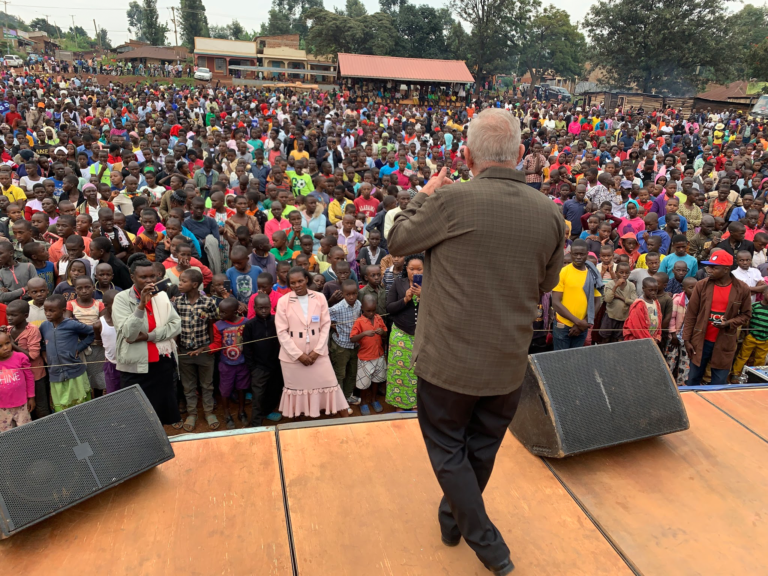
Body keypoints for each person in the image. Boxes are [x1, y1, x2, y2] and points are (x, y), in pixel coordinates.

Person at [387, 109, 563, 575]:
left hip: (447, 363)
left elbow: (396, 239)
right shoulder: (550, 214)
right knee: (481, 448)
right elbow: (546, 282)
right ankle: (451, 521)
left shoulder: (449, 202)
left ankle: (489, 545)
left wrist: (421, 196)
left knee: (448, 449)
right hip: (507, 363)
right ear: (522, 155)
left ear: (465, 156)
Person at [112, 254, 182, 427]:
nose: (149, 280)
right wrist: (141, 305)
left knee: (161, 415)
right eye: (143, 277)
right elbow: (129, 334)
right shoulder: (121, 299)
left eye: (152, 276)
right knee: (138, 418)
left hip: (161, 364)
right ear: (132, 277)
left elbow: (176, 326)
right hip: (136, 368)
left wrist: (150, 336)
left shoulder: (161, 296)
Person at [275, 267, 349, 418]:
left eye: (300, 281)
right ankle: (299, 424)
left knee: (330, 383)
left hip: (318, 353)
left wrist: (317, 352)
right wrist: (298, 355)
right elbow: (281, 332)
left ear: (307, 279)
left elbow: (325, 325)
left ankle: (346, 420)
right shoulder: (283, 301)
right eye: (293, 283)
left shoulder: (319, 297)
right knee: (297, 390)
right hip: (292, 357)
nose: (297, 285)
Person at [683, 250, 752, 386]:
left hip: (725, 342)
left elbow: (746, 314)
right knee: (692, 380)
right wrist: (686, 339)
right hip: (701, 341)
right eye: (708, 266)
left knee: (719, 383)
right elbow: (691, 314)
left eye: (714, 267)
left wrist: (729, 323)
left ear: (726, 269)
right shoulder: (701, 285)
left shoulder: (741, 288)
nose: (709, 270)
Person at [174, 268, 220, 431]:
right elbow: (176, 327)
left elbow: (212, 324)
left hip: (204, 351)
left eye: (183, 281)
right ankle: (192, 413)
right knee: (188, 385)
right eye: (180, 281)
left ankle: (208, 412)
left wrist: (210, 347)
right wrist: (177, 349)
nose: (179, 284)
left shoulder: (208, 302)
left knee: (207, 385)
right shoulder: (178, 302)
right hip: (185, 351)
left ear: (194, 285)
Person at [39, 294, 94, 412]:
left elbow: (92, 332)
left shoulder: (72, 324)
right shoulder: (44, 326)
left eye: (51, 311)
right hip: (55, 373)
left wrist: (80, 347)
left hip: (74, 371)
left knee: (80, 404)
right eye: (45, 310)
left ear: (63, 310)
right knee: (61, 406)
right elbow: (40, 343)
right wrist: (44, 354)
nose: (47, 313)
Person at [552, 239, 604, 349]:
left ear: (587, 254)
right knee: (561, 360)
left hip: (583, 326)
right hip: (563, 324)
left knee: (576, 361)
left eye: (582, 254)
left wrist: (583, 324)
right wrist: (578, 322)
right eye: (576, 254)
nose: (579, 257)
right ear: (571, 254)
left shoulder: (592, 273)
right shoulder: (563, 272)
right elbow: (556, 303)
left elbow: (597, 302)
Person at [243, 293, 284, 426]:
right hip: (259, 367)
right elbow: (247, 348)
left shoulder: (277, 321)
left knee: (274, 391)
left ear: (271, 306)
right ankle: (255, 423)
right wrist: (252, 368)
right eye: (260, 308)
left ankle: (267, 411)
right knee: (258, 396)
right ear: (254, 308)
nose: (264, 311)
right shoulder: (250, 325)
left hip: (276, 365)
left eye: (266, 307)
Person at [5, 299, 48, 418]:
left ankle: (48, 431)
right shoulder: (9, 330)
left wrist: (11, 343)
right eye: (8, 314)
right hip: (19, 376)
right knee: (26, 406)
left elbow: (33, 355)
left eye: (13, 315)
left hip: (35, 374)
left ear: (25, 315)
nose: (9, 318)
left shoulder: (32, 330)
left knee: (41, 406)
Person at [212, 297, 249, 429]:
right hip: (226, 365)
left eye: (223, 312)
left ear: (234, 311)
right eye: (219, 311)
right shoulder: (218, 325)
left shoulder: (246, 322)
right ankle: (227, 413)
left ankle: (241, 411)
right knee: (225, 390)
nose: (220, 315)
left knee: (241, 388)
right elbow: (217, 344)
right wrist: (206, 349)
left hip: (242, 363)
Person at [349, 293, 388, 415]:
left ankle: (373, 399)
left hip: (379, 355)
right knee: (364, 383)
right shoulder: (359, 321)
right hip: (365, 357)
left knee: (377, 380)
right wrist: (364, 334)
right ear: (362, 309)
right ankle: (363, 402)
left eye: (373, 310)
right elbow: (352, 338)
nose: (371, 313)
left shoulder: (378, 318)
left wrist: (382, 332)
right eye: (368, 311)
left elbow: (385, 333)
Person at [329, 279, 362, 409]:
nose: (352, 297)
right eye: (348, 294)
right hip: (341, 346)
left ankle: (348, 396)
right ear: (342, 294)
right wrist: (332, 325)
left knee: (352, 372)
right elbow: (324, 316)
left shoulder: (359, 304)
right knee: (340, 374)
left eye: (354, 293)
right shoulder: (337, 308)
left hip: (354, 346)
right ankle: (340, 402)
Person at [0, 330, 35, 432]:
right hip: (2, 407)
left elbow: (29, 378)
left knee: (26, 430)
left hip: (21, 403)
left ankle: (27, 447)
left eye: (7, 343)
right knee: (6, 433)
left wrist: (31, 397)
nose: (5, 348)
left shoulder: (20, 357)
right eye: (0, 346)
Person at [731, 285, 768, 380]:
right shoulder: (754, 306)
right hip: (751, 336)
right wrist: (747, 332)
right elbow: (748, 319)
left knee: (760, 359)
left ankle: (756, 376)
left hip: (765, 339)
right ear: (763, 293)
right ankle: (735, 374)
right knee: (743, 356)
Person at [666, 277, 698, 386]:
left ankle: (682, 382)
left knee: (686, 360)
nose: (694, 290)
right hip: (675, 336)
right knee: (671, 359)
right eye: (690, 288)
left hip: (688, 337)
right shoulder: (677, 300)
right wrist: (673, 334)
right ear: (683, 288)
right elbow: (671, 318)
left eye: (696, 287)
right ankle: (668, 381)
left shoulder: (700, 301)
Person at [600, 261, 636, 343]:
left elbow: (634, 302)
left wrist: (620, 297)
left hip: (624, 318)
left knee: (618, 340)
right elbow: (608, 299)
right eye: (621, 272)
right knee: (605, 338)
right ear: (616, 273)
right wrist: (616, 286)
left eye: (627, 273)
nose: (624, 275)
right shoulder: (610, 284)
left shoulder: (631, 285)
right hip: (610, 316)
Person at [623, 277, 663, 342]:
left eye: (655, 290)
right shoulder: (639, 304)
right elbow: (637, 327)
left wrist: (657, 336)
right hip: (640, 339)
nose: (653, 293)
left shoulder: (656, 303)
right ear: (643, 289)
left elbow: (659, 320)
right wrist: (649, 340)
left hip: (652, 337)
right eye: (650, 290)